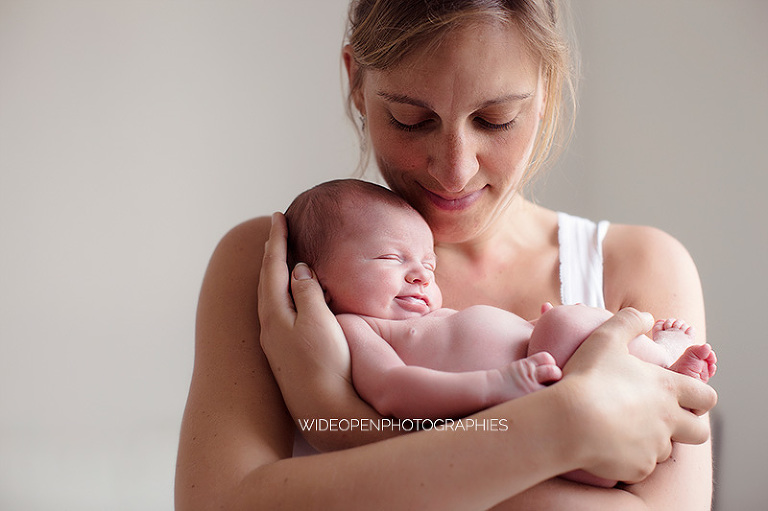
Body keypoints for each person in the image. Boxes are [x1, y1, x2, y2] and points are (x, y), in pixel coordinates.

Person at [175, 1, 718, 509]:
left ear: (546, 90)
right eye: (412, 119)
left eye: (496, 118)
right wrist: (557, 435)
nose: (454, 170)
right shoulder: (279, 265)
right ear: (357, 85)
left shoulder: (636, 265)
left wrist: (339, 418)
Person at [284, 178, 717, 487]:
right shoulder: (353, 328)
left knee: (565, 322)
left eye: (428, 265)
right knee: (566, 323)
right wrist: (499, 383)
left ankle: (664, 368)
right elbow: (392, 391)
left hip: (587, 413)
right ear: (320, 284)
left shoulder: (430, 319)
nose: (420, 276)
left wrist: (529, 327)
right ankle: (666, 363)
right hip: (541, 420)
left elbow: (484, 339)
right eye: (390, 258)